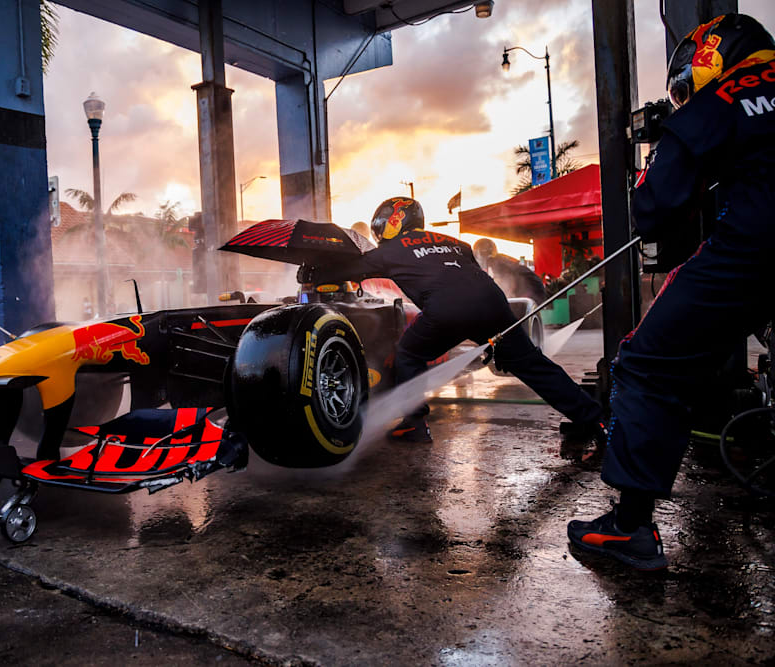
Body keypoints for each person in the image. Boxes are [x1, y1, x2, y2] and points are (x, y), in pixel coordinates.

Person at [567, 14, 775, 570]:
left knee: (644, 364)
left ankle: (630, 528)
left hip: (754, 248)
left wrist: (671, 138)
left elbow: (653, 210)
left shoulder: (719, 101)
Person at [297, 196, 603, 443]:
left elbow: (351, 270)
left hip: (448, 309)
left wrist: (314, 273)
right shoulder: (457, 243)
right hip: (494, 304)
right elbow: (464, 277)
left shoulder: (390, 251)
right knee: (534, 366)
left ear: (392, 222)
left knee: (409, 354)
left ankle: (415, 424)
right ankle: (596, 419)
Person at [472, 238, 547, 304]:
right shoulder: (502, 260)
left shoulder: (496, 263)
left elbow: (505, 284)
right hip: (534, 295)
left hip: (530, 296)